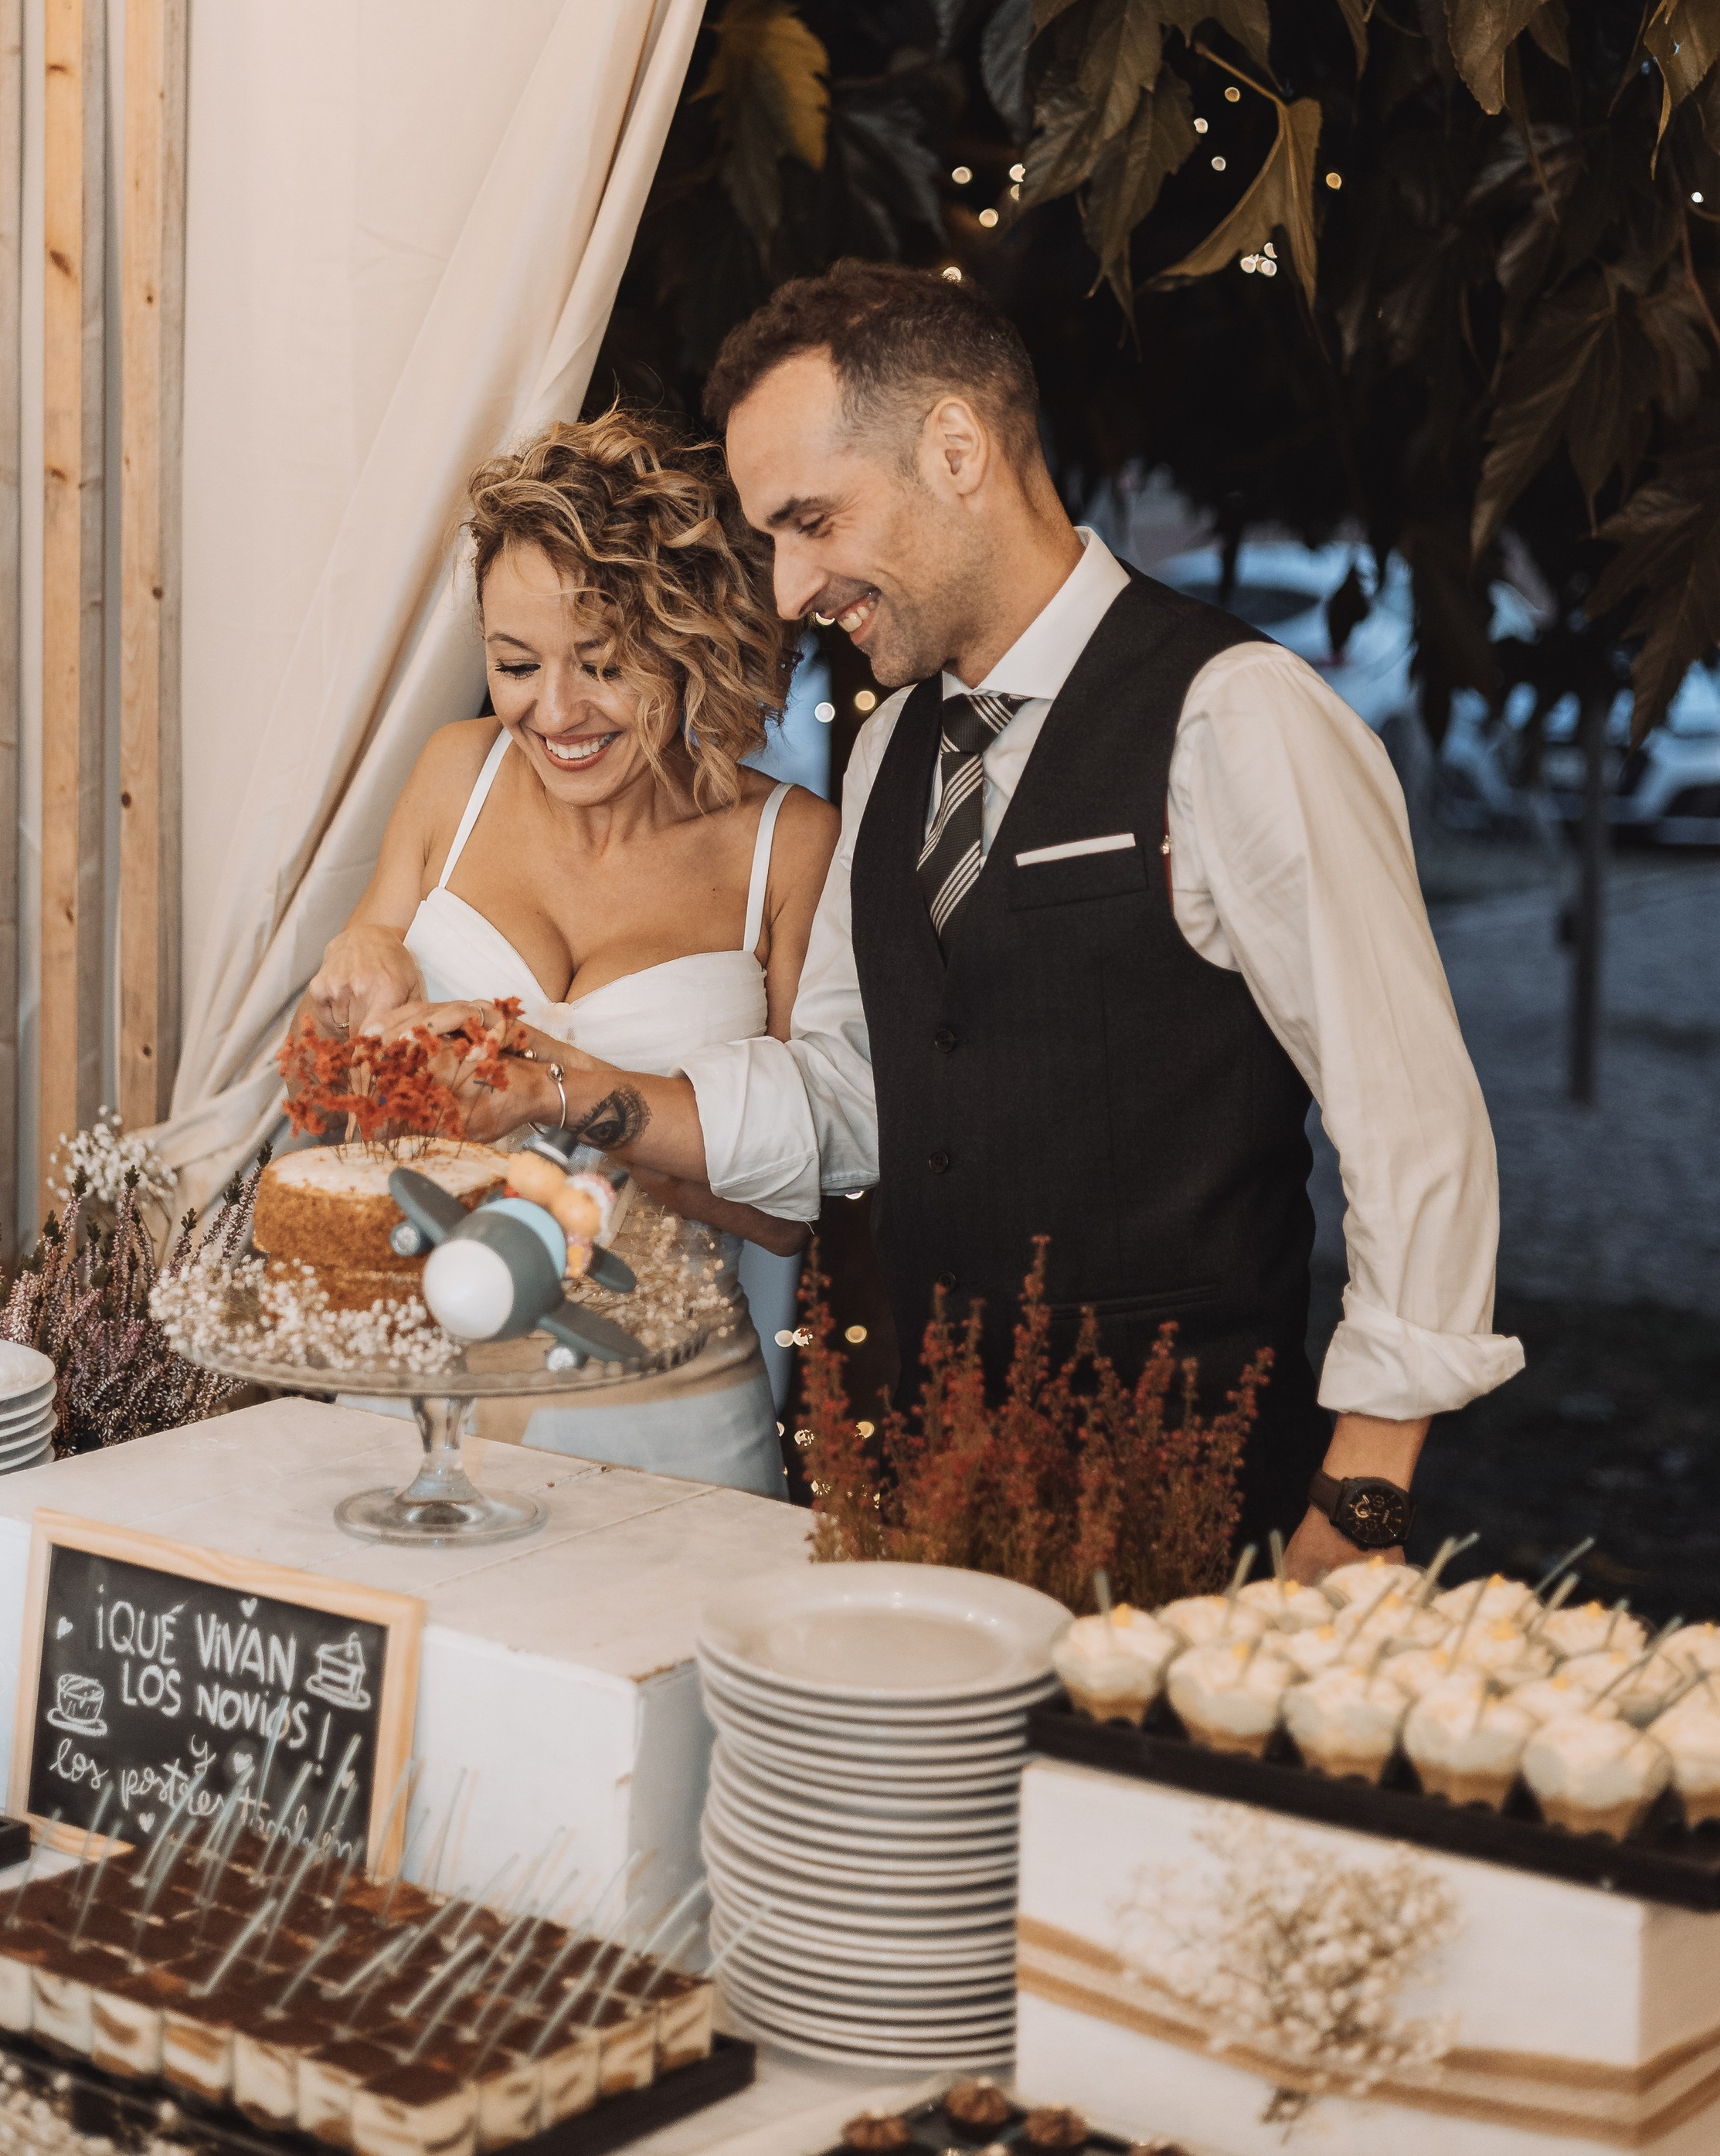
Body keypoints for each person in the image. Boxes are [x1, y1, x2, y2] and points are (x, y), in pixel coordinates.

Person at [416, 263, 1521, 1578]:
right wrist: (571, 1090)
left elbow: (1413, 1127)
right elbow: (847, 1099)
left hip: (1198, 1495)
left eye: (812, 521)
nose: (785, 589)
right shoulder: (891, 758)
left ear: (955, 448)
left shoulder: (1238, 715)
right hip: (940, 1493)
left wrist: (1363, 1503)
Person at [302, 406, 838, 1499]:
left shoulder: (790, 850)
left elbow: (787, 1213)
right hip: (404, 1395)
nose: (554, 713)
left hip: (667, 1414)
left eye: (600, 663)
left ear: (685, 640)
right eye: (514, 664)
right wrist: (353, 978)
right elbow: (332, 1104)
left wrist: (545, 1088)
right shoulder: (457, 774)